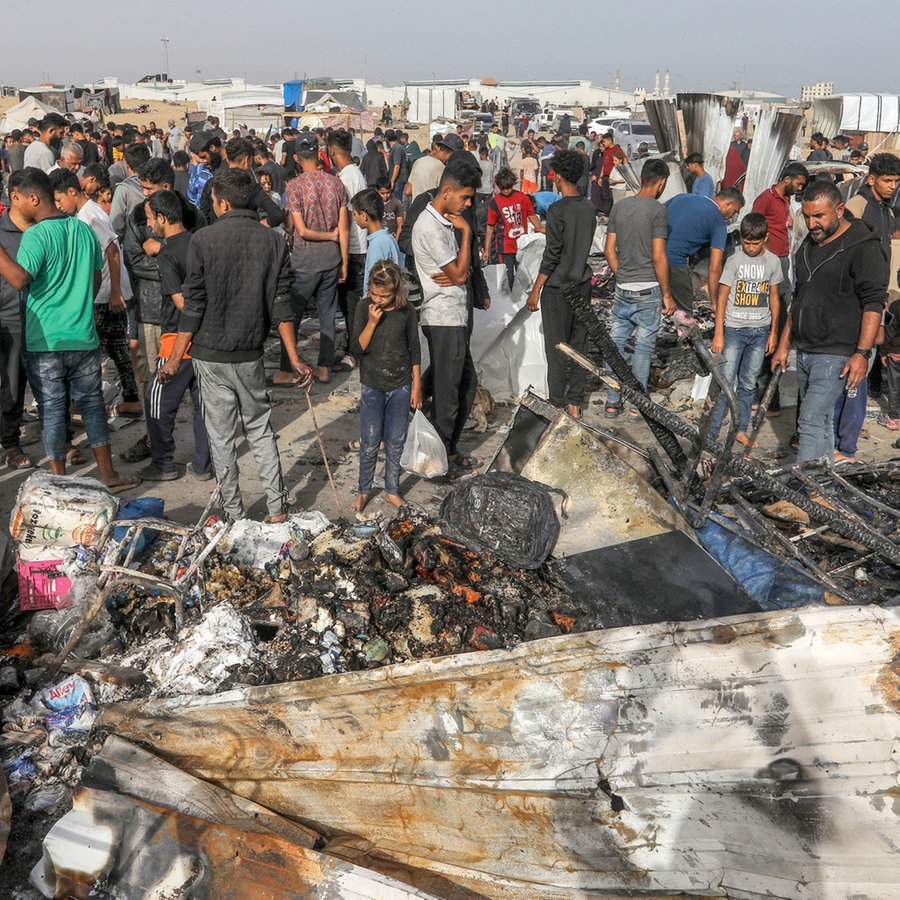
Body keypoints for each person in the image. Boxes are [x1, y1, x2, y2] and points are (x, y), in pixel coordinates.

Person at [158, 169, 312, 521]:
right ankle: (276, 509)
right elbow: (281, 307)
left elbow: (193, 307)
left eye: (213, 201)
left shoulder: (204, 240)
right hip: (250, 355)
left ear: (223, 203)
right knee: (259, 429)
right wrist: (295, 359)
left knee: (222, 436)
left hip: (210, 356)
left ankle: (233, 513)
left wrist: (174, 358)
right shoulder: (272, 241)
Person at [0, 168, 138, 490]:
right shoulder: (82, 230)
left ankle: (58, 482)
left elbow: (20, 279)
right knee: (91, 406)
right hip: (83, 336)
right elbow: (95, 280)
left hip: (46, 340)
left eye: (16, 199)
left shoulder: (36, 236)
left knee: (51, 408)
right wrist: (75, 307)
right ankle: (108, 475)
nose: (13, 204)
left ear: (33, 198)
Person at [770, 181, 887, 463]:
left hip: (838, 352)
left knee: (809, 419)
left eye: (819, 216)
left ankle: (804, 491)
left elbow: (873, 303)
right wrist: (784, 345)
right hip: (807, 350)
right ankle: (822, 487)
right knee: (820, 422)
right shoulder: (808, 247)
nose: (812, 224)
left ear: (839, 209)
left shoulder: (864, 247)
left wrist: (862, 353)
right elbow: (798, 299)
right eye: (808, 216)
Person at [50, 169, 140, 419]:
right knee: (118, 347)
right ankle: (131, 399)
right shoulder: (84, 213)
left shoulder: (91, 215)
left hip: (105, 295)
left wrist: (113, 292)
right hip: (107, 293)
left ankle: (79, 401)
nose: (58, 206)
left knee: (88, 351)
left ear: (72, 192)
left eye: (59, 200)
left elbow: (111, 250)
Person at [411, 163, 482, 474]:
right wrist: (466, 232)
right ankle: (438, 462)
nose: (467, 205)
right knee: (448, 395)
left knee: (463, 386)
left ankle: (446, 451)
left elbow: (458, 275)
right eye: (465, 198)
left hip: (452, 316)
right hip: (442, 317)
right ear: (447, 192)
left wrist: (459, 275)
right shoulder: (431, 227)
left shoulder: (442, 222)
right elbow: (459, 273)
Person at [140, 190, 211, 482]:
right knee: (203, 406)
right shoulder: (199, 242)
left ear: (162, 218)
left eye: (149, 218)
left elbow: (183, 303)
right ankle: (204, 465)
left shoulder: (168, 252)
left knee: (156, 400)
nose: (148, 225)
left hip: (176, 340)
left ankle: (163, 463)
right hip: (206, 340)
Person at [525, 150, 596, 419]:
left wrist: (536, 289)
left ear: (559, 177)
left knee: (557, 349)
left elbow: (552, 254)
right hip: (582, 284)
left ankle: (556, 404)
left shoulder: (556, 210)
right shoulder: (589, 208)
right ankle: (575, 404)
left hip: (556, 289)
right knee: (580, 345)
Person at [603, 158, 674, 418]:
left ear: (642, 178)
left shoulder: (620, 207)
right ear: (661, 183)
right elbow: (658, 256)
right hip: (649, 291)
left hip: (623, 288)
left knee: (616, 345)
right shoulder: (658, 210)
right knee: (643, 349)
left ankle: (612, 402)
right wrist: (667, 294)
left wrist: (621, 274)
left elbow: (609, 250)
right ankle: (636, 406)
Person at [349, 259, 421, 512]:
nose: (378, 299)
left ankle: (392, 489)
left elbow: (414, 349)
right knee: (369, 441)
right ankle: (364, 490)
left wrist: (416, 385)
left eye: (384, 295)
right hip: (372, 383)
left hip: (400, 383)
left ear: (397, 291)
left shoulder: (406, 311)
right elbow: (357, 348)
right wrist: (371, 322)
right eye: (373, 294)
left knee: (395, 441)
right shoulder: (363, 308)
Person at [276, 134, 349, 385]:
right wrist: (345, 260)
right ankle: (324, 368)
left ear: (296, 158)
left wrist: (328, 235)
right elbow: (344, 228)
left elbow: (302, 231)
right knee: (327, 316)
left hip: (305, 261)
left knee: (292, 315)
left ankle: (287, 368)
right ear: (319, 155)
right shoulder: (336, 184)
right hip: (331, 258)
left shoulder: (294, 186)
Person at [708, 212, 782, 447]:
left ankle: (740, 429)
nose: (750, 248)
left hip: (760, 332)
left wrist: (773, 332)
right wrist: (718, 332)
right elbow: (722, 297)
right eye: (746, 242)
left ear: (766, 239)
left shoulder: (772, 262)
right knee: (726, 382)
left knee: (749, 383)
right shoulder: (734, 261)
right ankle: (712, 433)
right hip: (734, 331)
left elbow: (774, 298)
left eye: (755, 243)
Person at [665, 188, 745, 315]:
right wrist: (715, 302)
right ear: (727, 204)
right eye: (734, 212)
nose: (732, 216)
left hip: (650, 253)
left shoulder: (683, 197)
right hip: (674, 262)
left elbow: (653, 215)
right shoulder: (718, 222)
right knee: (684, 314)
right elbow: (714, 268)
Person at [0, 177, 35, 469]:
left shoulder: (43, 229)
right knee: (11, 387)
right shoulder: (1, 231)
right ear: (16, 197)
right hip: (9, 320)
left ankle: (62, 442)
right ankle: (11, 444)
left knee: (51, 385)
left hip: (44, 321)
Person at [483, 166, 544, 289]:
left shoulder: (522, 198)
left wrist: (541, 229)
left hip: (522, 245)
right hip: (504, 246)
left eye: (509, 187)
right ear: (499, 187)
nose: (506, 191)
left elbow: (532, 216)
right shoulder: (495, 203)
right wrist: (486, 249)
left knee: (524, 277)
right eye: (503, 188)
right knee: (507, 278)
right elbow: (490, 227)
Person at [352, 189, 403, 294]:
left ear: (364, 216)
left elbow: (374, 284)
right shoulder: (387, 238)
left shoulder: (378, 244)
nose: (354, 218)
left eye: (355, 214)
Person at [406, 134, 454, 200]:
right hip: (431, 208)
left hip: (415, 207)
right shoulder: (441, 167)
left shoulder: (418, 161)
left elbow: (408, 191)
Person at [386, 130, 408, 200]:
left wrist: (392, 181)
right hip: (397, 180)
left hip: (398, 180)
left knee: (397, 201)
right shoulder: (395, 148)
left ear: (387, 139)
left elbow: (397, 166)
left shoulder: (397, 149)